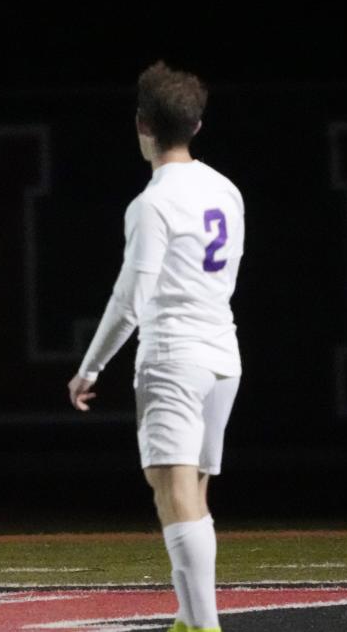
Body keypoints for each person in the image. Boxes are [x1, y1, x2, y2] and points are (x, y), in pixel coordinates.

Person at [67, 61, 244, 632]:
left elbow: (131, 297)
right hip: (223, 357)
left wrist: (89, 368)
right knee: (189, 490)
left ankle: (202, 625)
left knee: (172, 490)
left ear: (142, 124)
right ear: (195, 125)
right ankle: (192, 619)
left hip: (174, 356)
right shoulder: (226, 190)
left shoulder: (152, 202)